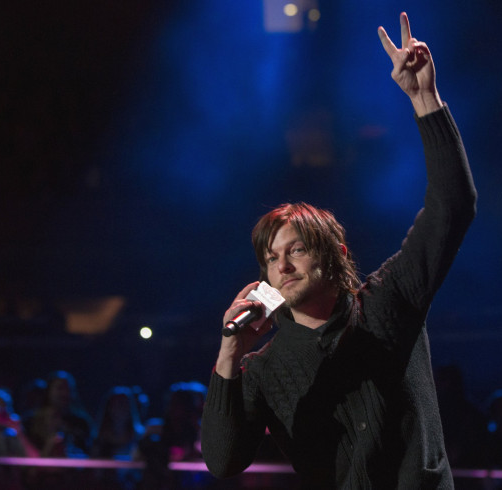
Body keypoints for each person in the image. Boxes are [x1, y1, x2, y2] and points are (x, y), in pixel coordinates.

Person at [200, 11, 477, 489]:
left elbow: (452, 207)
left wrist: (424, 97)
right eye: (270, 257)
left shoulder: (389, 302)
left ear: (335, 253)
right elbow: (224, 461)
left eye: (297, 250)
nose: (281, 265)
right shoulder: (263, 368)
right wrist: (229, 355)